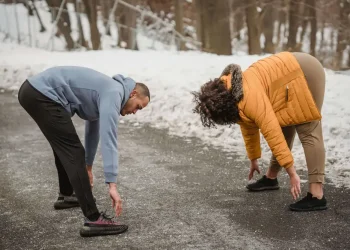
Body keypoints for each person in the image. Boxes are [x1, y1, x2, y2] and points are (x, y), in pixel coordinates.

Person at [18, 66, 150, 236]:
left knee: (65, 146)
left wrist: (88, 167)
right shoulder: (114, 92)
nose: (135, 112)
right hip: (42, 94)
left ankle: (66, 195)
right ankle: (93, 219)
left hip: (34, 91)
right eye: (138, 107)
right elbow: (109, 139)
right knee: (73, 151)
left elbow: (92, 130)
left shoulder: (108, 89)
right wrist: (112, 184)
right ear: (133, 94)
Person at [192, 51, 327, 211]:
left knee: (308, 129)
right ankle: (271, 178)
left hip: (305, 72)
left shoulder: (249, 97)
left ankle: (317, 194)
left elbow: (272, 133)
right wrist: (253, 159)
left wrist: (292, 173)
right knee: (284, 124)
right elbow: (248, 126)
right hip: (288, 76)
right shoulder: (230, 91)